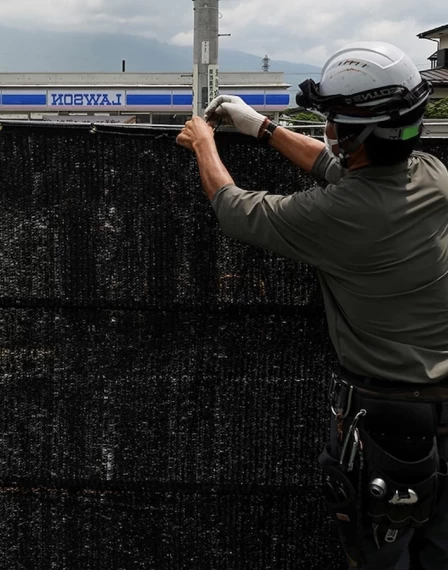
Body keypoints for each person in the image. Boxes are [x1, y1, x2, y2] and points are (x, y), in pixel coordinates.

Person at [176, 41, 448, 569]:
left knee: (382, 557)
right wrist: (264, 128)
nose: (328, 132)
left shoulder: (335, 215)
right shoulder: (432, 177)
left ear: (355, 134)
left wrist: (205, 143)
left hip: (388, 419)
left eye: (334, 122)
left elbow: (236, 209)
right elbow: (338, 168)